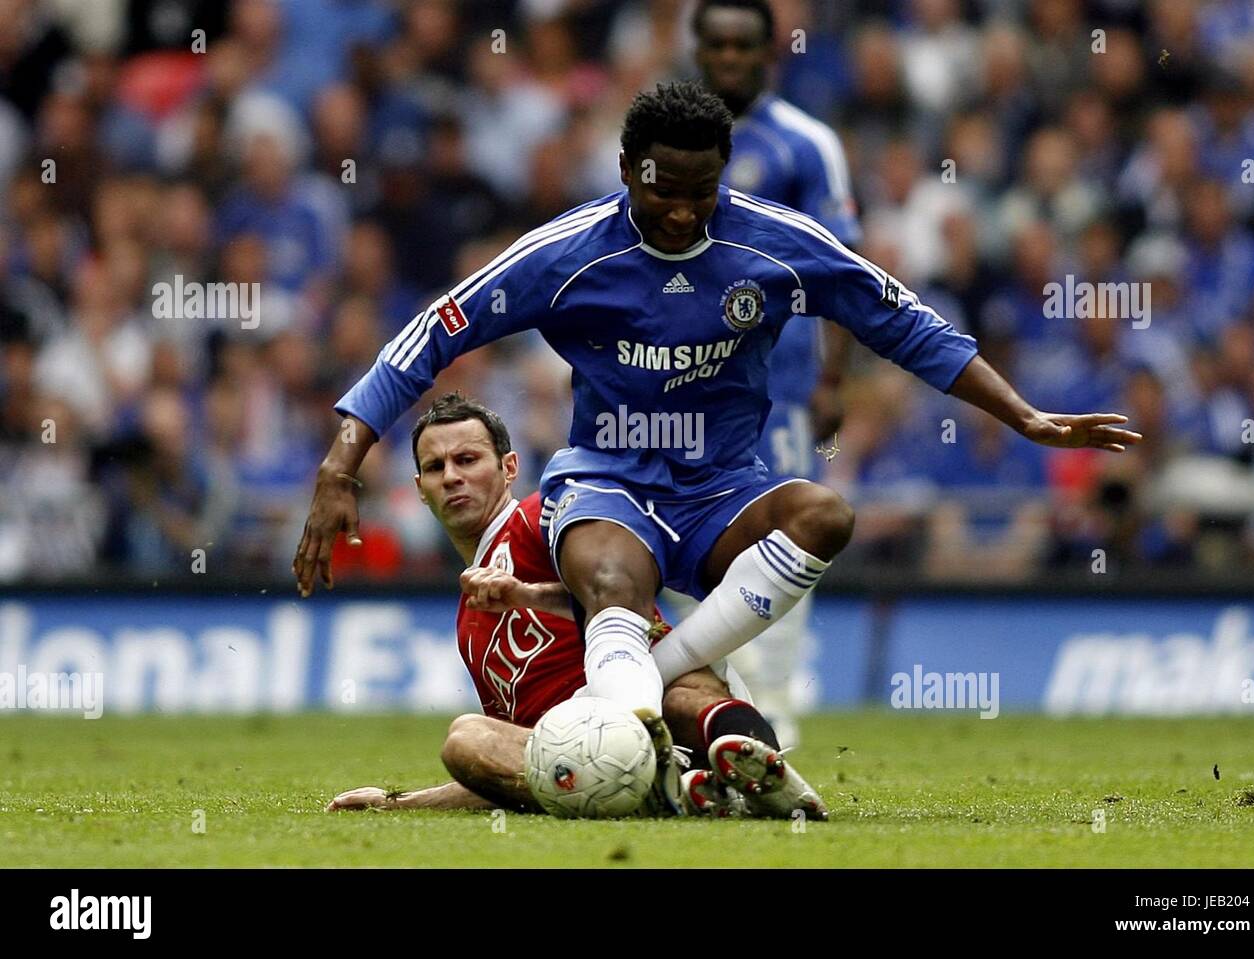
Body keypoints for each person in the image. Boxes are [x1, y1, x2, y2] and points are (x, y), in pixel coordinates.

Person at [297, 80, 1140, 813]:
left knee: (826, 512)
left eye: (703, 191)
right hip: (607, 480)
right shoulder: (564, 254)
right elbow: (431, 333)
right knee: (612, 577)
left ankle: (638, 728)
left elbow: (902, 320)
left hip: (722, 489)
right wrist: (341, 464)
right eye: (664, 187)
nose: (682, 209)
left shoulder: (773, 243)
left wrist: (1025, 415)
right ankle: (654, 745)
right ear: (628, 168)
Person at [326, 393, 827, 819]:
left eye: (468, 459)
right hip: (586, 755)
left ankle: (755, 767)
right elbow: (529, 759)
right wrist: (401, 804)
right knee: (467, 739)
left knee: (677, 687)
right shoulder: (469, 624)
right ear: (419, 490)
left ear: (509, 467)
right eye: (436, 468)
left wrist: (530, 595)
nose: (452, 477)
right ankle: (681, 788)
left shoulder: (548, 516)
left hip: (656, 701)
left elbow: (628, 596)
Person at [674, 0, 864, 744]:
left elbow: (841, 268)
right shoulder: (665, 136)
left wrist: (832, 378)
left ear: (768, 54)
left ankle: (776, 703)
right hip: (673, 381)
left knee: (781, 535)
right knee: (681, 542)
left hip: (774, 388)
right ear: (698, 50)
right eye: (714, 44)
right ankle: (697, 704)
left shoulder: (806, 146)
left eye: (740, 45)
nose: (727, 57)